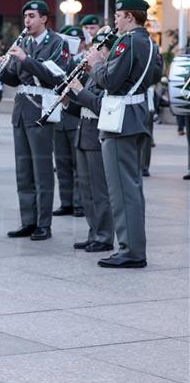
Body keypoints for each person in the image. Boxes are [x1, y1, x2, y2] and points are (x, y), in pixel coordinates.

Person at [82, 0, 162, 268]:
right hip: (137, 116)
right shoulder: (150, 43)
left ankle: (131, 251)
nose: (114, 20)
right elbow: (153, 75)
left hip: (121, 121)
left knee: (122, 190)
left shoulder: (127, 42)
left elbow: (109, 81)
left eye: (118, 16)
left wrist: (96, 63)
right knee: (132, 188)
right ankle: (133, 247)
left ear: (129, 16)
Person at [0, 0, 69, 241]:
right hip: (22, 109)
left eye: (32, 16)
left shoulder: (58, 43)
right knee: (23, 170)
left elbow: (54, 76)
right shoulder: (23, 42)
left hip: (42, 109)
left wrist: (26, 60)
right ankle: (28, 220)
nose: (27, 21)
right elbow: (15, 79)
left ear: (44, 18)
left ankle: (44, 224)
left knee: (42, 170)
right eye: (25, 16)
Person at [62, 31, 116, 254]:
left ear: (108, 52)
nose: (93, 52)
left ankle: (104, 236)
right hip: (84, 132)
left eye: (98, 48)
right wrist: (66, 101)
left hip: (96, 134)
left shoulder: (109, 75)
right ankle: (93, 232)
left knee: (99, 190)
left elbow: (98, 105)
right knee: (86, 189)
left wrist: (78, 90)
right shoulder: (91, 74)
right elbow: (83, 106)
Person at [53, 25, 84, 217]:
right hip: (59, 118)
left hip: (75, 118)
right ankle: (66, 202)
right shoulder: (56, 63)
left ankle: (79, 203)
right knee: (62, 163)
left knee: (78, 165)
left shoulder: (83, 64)